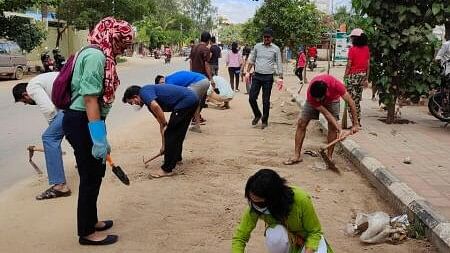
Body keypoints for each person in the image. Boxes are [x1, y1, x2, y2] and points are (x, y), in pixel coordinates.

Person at [62, 17, 133, 245]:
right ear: (112, 36)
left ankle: (92, 221)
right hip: (82, 120)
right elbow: (90, 98)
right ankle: (87, 233)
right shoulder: (96, 56)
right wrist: (98, 137)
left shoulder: (100, 53)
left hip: (89, 121)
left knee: (96, 172)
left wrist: (100, 133)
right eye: (123, 41)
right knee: (90, 176)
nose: (126, 47)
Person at [232, 169, 333, 253]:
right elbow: (240, 237)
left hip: (307, 243)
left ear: (274, 198)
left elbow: (314, 232)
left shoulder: (301, 199)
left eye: (260, 203)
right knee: (275, 235)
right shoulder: (254, 206)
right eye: (251, 200)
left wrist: (309, 250)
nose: (255, 205)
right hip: (289, 242)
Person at [12, 72, 71, 200]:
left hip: (72, 104)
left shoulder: (32, 87)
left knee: (49, 137)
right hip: (77, 100)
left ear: (25, 94)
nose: (27, 104)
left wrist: (53, 128)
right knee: (70, 133)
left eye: (24, 102)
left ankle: (60, 186)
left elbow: (49, 109)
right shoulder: (44, 80)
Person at [122, 84, 198, 177]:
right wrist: (163, 146)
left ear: (135, 96)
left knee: (171, 133)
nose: (134, 104)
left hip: (186, 101)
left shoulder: (144, 92)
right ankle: (176, 158)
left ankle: (167, 169)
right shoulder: (149, 104)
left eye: (132, 102)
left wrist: (165, 125)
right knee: (177, 133)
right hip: (191, 100)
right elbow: (162, 125)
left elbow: (156, 106)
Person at [284, 74, 359, 165]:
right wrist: (340, 129)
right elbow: (326, 113)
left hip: (333, 100)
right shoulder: (312, 95)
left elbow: (351, 102)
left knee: (332, 127)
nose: (318, 100)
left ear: (326, 91)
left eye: (320, 98)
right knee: (301, 123)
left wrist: (355, 124)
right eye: (317, 99)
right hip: (312, 100)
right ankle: (296, 156)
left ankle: (329, 157)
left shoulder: (336, 85)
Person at [245, 28, 283, 129]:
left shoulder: (276, 49)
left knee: (266, 100)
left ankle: (264, 120)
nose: (266, 38)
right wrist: (247, 72)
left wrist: (280, 76)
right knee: (251, 98)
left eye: (268, 37)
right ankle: (257, 114)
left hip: (268, 77)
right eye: (264, 37)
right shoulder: (257, 46)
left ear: (272, 38)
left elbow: (279, 63)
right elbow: (252, 60)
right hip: (257, 76)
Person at [344, 28, 370, 125]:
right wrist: (366, 78)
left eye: (352, 38)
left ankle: (355, 123)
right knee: (357, 100)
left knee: (350, 100)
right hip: (362, 76)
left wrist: (345, 77)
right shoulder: (366, 49)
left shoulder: (352, 50)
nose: (351, 40)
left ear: (355, 39)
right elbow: (368, 65)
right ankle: (358, 121)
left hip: (352, 77)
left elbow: (349, 65)